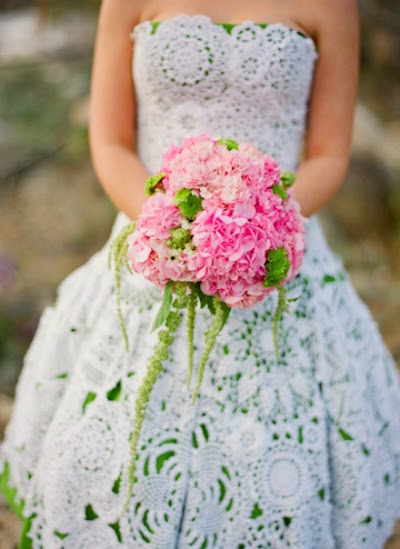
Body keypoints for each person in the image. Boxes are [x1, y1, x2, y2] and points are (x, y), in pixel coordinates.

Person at [1, 0, 399, 547]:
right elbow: (110, 140)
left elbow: (329, 152)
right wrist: (173, 233)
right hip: (152, 244)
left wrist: (261, 227)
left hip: (276, 255)